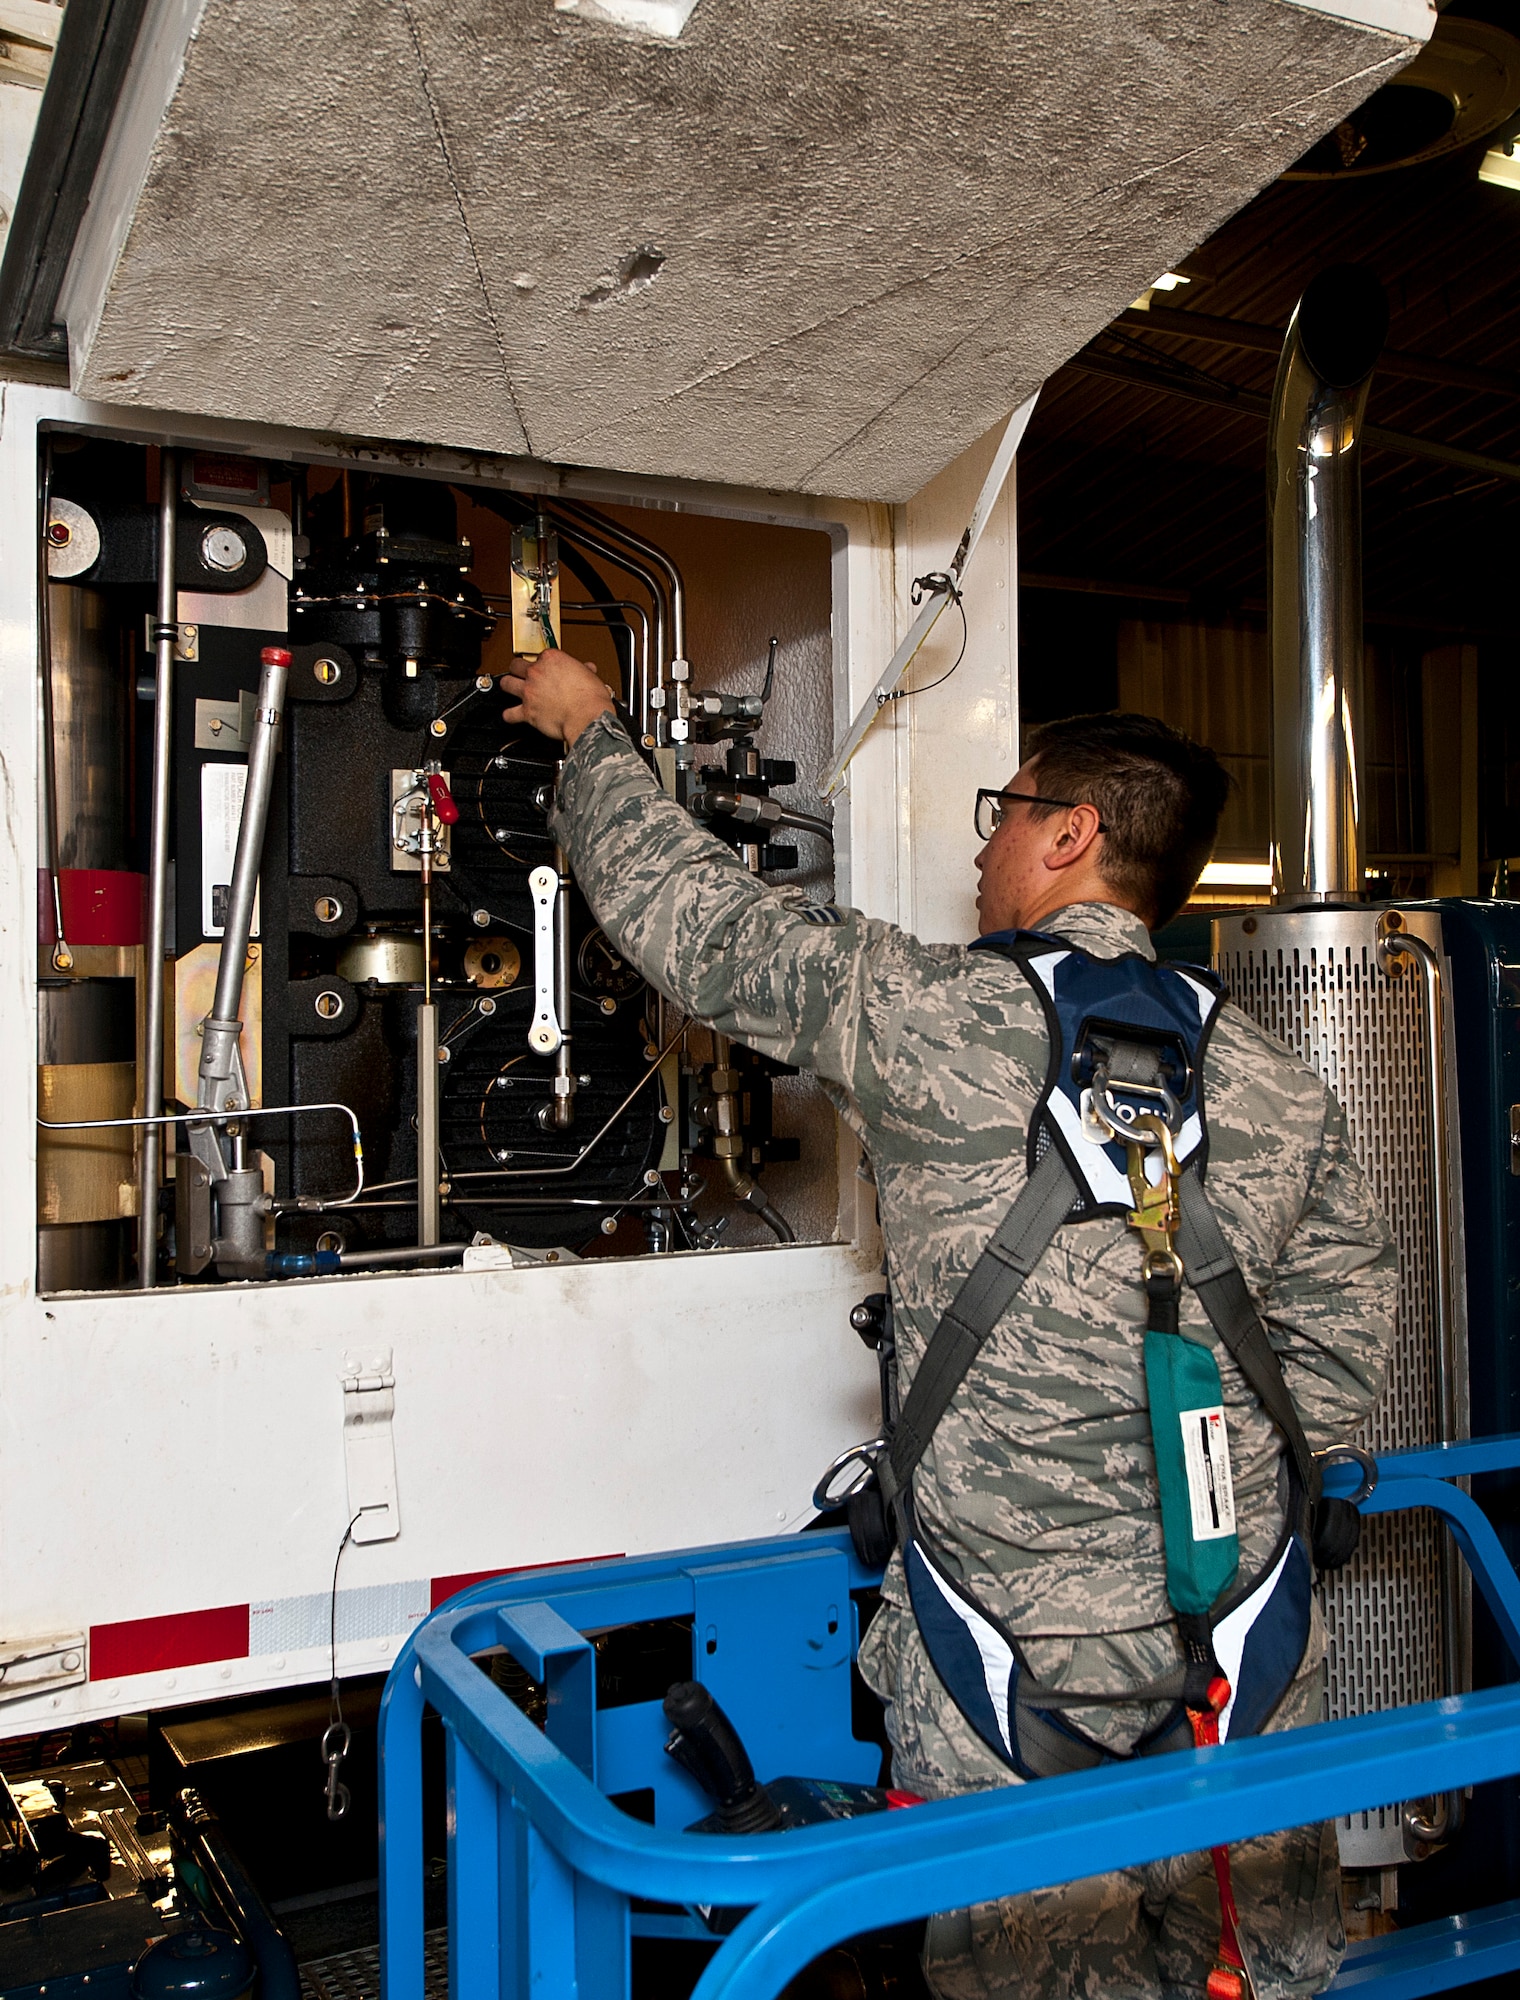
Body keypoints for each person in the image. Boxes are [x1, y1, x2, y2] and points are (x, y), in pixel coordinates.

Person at [500, 647, 1396, 2000]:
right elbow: (1343, 1335)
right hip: (1245, 1652)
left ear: (1072, 834)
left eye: (1006, 809)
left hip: (999, 1677)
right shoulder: (1280, 1084)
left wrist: (589, 735)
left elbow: (701, 926)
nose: (988, 850)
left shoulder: (930, 1016)